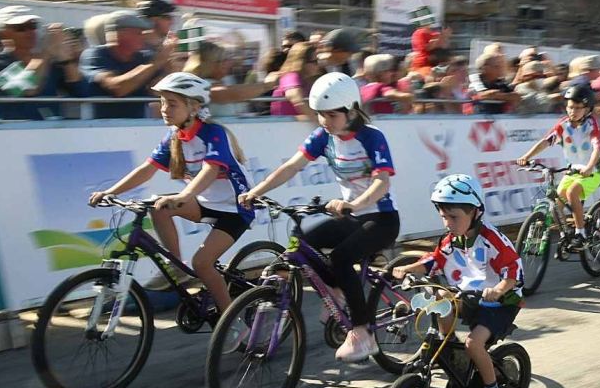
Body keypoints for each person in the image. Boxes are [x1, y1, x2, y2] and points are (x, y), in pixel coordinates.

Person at [240, 72, 399, 362]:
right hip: (350, 216)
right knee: (300, 243)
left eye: (330, 115)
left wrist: (355, 204)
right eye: (319, 115)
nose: (324, 121)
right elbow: (291, 166)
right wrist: (255, 191)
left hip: (381, 217)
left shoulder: (371, 137)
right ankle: (337, 292)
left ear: (351, 110)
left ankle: (364, 334)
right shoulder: (323, 137)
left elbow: (382, 182)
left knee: (340, 257)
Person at [88, 73, 253, 313]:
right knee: (158, 206)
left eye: (172, 103)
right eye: (163, 102)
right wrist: (110, 192)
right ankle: (175, 265)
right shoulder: (174, 136)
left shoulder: (214, 133)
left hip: (235, 208)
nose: (164, 109)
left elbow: (211, 170)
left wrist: (184, 196)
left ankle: (232, 320)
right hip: (206, 202)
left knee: (202, 263)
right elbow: (146, 169)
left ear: (194, 106)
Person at [392, 174, 522, 388]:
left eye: (453, 217)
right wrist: (408, 269)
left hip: (500, 303)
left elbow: (514, 271)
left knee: (473, 344)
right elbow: (435, 261)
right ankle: (451, 347)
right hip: (468, 295)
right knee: (441, 303)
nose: (448, 223)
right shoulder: (451, 239)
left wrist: (498, 290)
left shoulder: (492, 240)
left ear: (474, 212)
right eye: (444, 217)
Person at [517, 84, 600, 248]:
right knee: (557, 203)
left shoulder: (592, 125)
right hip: (572, 171)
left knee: (572, 193)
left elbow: (597, 148)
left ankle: (581, 233)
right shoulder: (563, 125)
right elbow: (545, 142)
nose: (573, 111)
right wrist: (526, 157)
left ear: (588, 110)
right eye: (570, 107)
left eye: (578, 108)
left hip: (593, 171)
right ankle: (565, 233)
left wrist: (590, 166)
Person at [0, 5, 86, 120]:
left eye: (32, 26)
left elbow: (81, 92)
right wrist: (47, 52)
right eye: (21, 28)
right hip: (11, 130)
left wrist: (66, 59)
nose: (30, 32)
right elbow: (25, 89)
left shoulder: (47, 62)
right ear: (2, 34)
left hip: (51, 129)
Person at [80, 10, 176, 119]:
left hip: (136, 127)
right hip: (101, 128)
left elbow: (158, 90)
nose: (143, 37)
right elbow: (118, 88)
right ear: (120, 34)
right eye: (138, 33)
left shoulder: (143, 57)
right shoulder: (95, 55)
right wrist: (157, 62)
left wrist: (168, 64)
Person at [183, 41, 279, 117]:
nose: (229, 63)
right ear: (211, 64)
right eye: (224, 60)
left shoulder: (222, 81)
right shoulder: (200, 86)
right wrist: (266, 85)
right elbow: (227, 93)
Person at [269, 41, 321, 124]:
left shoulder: (306, 80)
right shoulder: (290, 76)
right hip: (284, 128)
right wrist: (321, 124)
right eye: (315, 62)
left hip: (295, 127)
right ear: (302, 62)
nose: (318, 65)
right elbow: (298, 101)